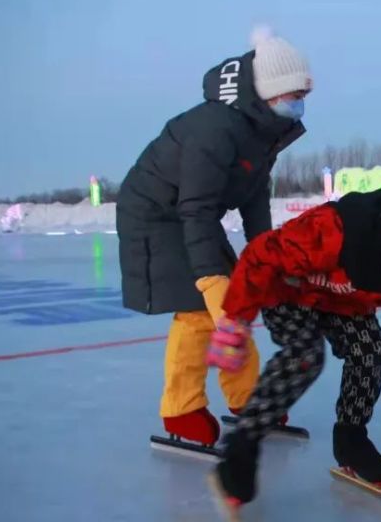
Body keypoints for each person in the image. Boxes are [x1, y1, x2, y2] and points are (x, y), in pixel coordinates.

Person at [204, 172, 381, 522]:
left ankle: (351, 437)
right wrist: (236, 319)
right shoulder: (331, 231)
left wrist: (352, 328)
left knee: (372, 349)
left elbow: (363, 296)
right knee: (305, 355)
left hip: (337, 301)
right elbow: (260, 256)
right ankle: (241, 448)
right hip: (287, 290)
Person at [115, 27, 312, 451]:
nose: (300, 104)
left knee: (235, 305)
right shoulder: (215, 128)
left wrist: (267, 257)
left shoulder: (260, 130)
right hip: (155, 214)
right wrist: (209, 278)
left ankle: (246, 399)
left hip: (190, 214)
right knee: (199, 310)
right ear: (269, 92)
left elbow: (255, 196)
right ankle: (181, 408)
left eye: (304, 95)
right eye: (293, 93)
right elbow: (197, 207)